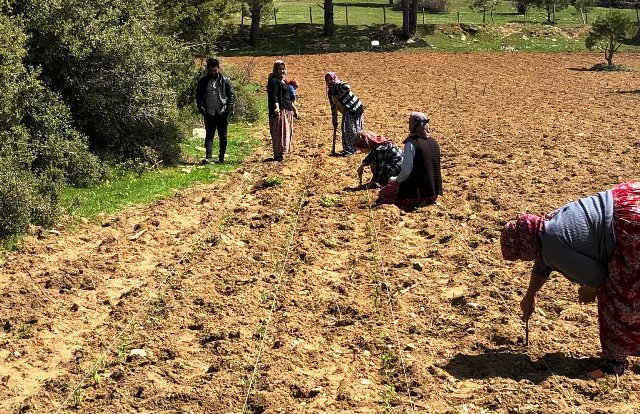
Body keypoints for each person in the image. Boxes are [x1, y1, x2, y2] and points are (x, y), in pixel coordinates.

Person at [500, 181, 640, 378]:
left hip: (631, 227)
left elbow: (599, 277)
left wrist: (588, 288)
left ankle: (614, 365)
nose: (525, 258)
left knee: (618, 294)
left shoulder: (551, 245)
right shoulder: (546, 225)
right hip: (628, 199)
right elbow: (544, 261)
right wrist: (530, 295)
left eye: (522, 255)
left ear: (526, 246)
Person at [378, 112, 442, 211]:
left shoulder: (411, 144)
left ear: (413, 125)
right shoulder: (434, 142)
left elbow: (405, 172)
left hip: (418, 193)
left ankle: (415, 203)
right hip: (434, 192)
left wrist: (396, 180)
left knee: (384, 193)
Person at [195, 58, 236, 164]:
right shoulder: (203, 81)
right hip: (209, 112)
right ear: (208, 69)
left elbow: (231, 95)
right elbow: (198, 96)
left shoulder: (225, 80)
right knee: (209, 135)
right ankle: (208, 157)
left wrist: (227, 109)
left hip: (222, 112)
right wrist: (202, 109)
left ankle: (221, 157)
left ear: (218, 69)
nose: (213, 73)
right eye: (211, 70)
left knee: (223, 136)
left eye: (215, 70)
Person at [325, 72, 364, 157]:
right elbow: (333, 106)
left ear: (334, 78)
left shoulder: (340, 85)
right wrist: (334, 119)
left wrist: (337, 88)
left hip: (354, 107)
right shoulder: (330, 92)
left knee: (349, 128)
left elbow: (347, 87)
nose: (329, 82)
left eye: (330, 79)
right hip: (346, 110)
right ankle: (351, 148)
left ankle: (352, 149)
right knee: (348, 128)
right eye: (327, 80)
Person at [267, 60, 298, 162]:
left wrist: (295, 109)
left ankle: (281, 153)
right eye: (279, 69)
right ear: (276, 70)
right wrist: (276, 107)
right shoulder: (274, 81)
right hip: (280, 111)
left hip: (287, 110)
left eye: (283, 69)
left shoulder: (284, 81)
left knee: (286, 132)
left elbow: (288, 97)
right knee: (278, 133)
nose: (282, 71)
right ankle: (277, 154)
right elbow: (274, 95)